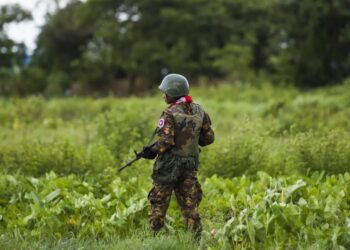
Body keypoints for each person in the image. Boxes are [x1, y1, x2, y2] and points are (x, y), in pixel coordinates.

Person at [140, 73, 215, 242]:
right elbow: (209, 138)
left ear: (172, 93)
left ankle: (153, 240)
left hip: (168, 166)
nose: (163, 94)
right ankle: (195, 242)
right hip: (189, 165)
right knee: (190, 205)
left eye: (165, 91)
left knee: (158, 203)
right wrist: (192, 138)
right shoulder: (199, 110)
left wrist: (150, 151)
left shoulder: (170, 113)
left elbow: (165, 142)